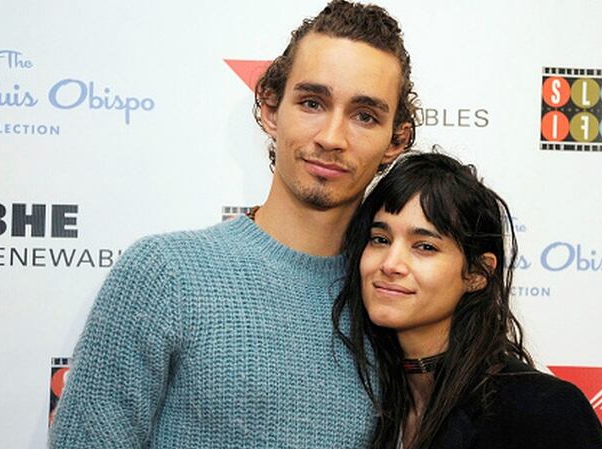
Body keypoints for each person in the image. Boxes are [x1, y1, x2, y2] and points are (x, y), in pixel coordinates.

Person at [49, 1, 416, 448]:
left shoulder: (394, 297)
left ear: (396, 139)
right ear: (269, 109)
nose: (332, 137)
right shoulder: (166, 274)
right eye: (312, 103)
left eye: (364, 115)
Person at [333, 152, 602, 449]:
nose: (390, 264)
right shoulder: (365, 403)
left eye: (424, 246)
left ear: (477, 273)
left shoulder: (544, 408)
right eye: (380, 239)